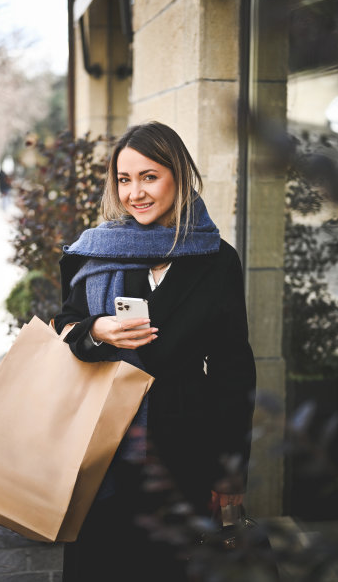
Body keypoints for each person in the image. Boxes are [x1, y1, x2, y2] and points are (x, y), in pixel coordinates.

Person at [54, 121, 256, 581]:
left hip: (184, 451)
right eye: (125, 179)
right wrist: (97, 330)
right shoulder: (98, 252)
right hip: (102, 448)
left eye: (149, 176)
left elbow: (233, 369)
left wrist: (230, 471)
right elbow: (64, 326)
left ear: (179, 177)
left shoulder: (216, 259)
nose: (135, 193)